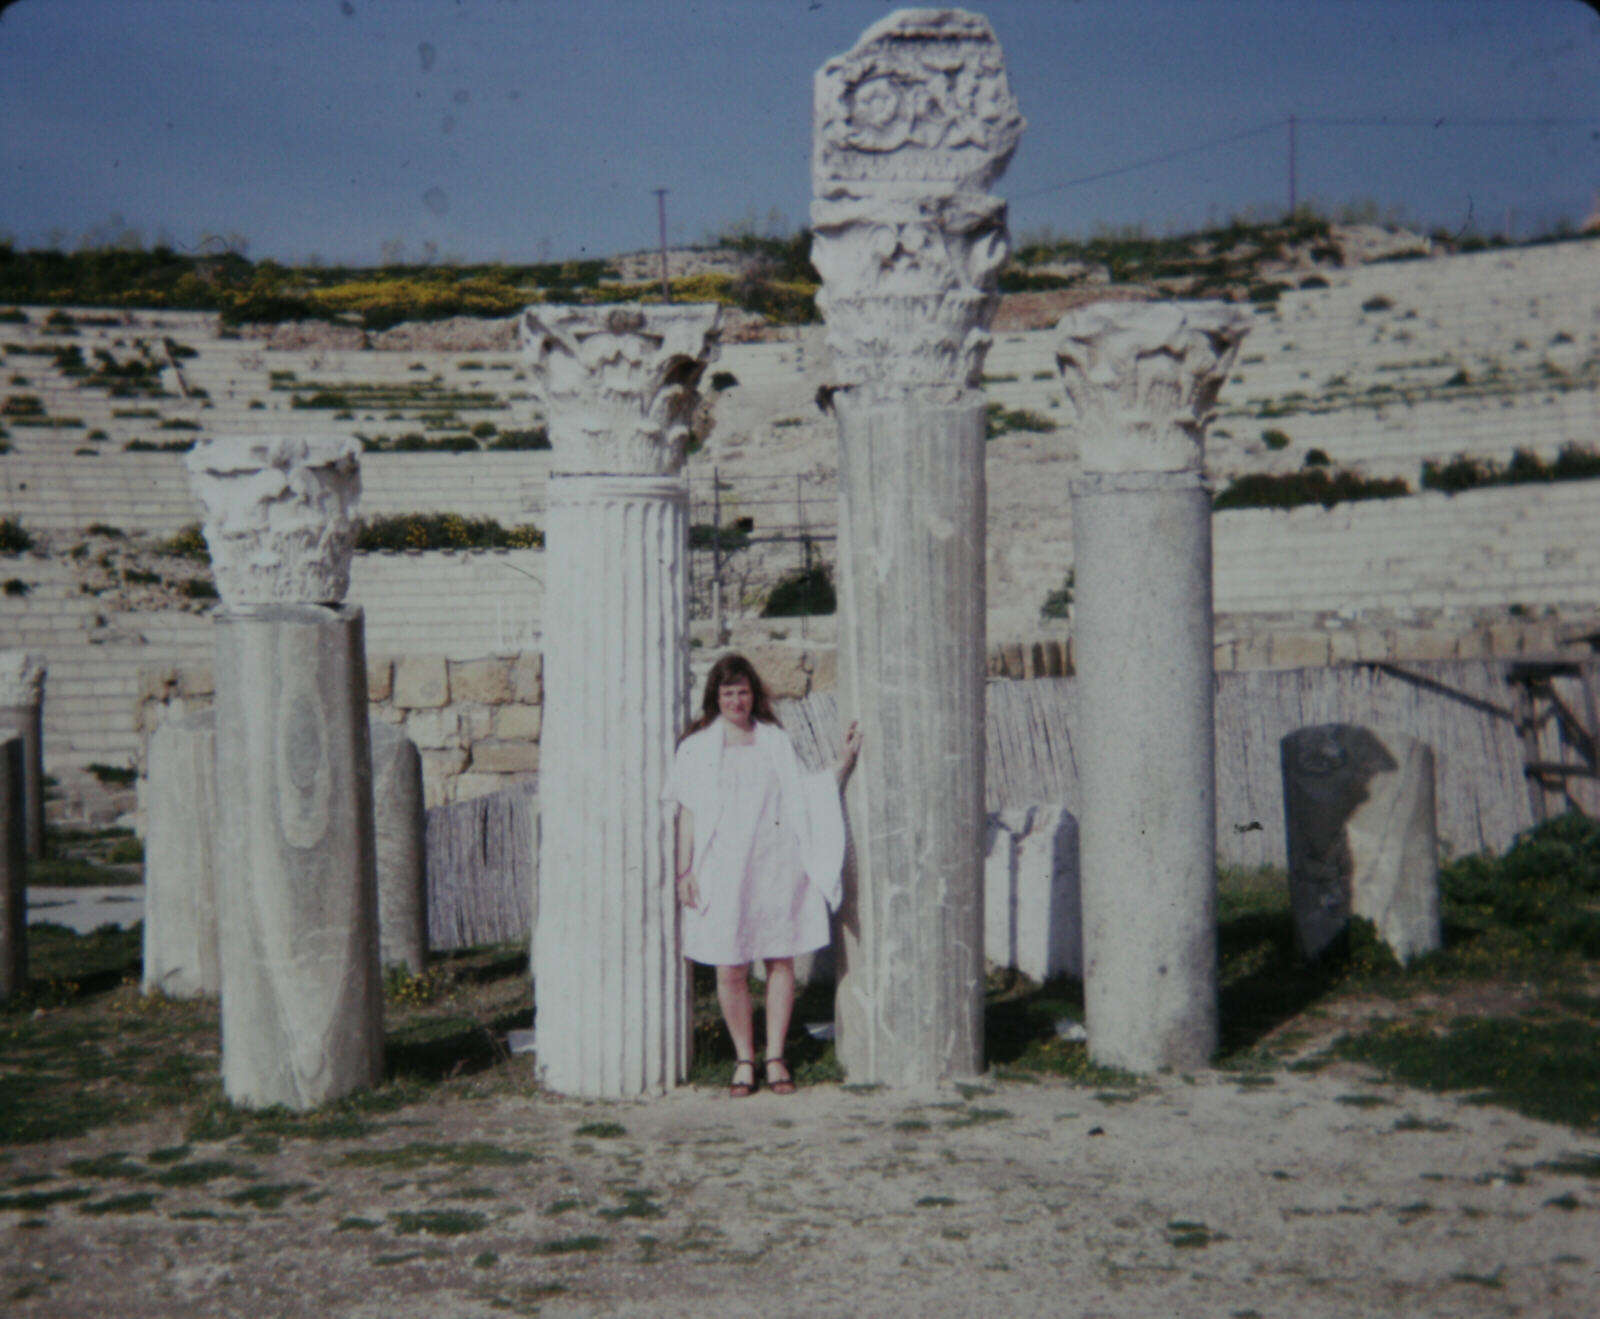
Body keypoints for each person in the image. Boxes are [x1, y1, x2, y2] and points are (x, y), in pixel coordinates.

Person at [663, 654, 861, 1097]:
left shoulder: (774, 740)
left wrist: (844, 762)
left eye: (744, 691)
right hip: (722, 868)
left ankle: (775, 1057)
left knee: (779, 959)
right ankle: (743, 1059)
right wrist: (684, 871)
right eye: (728, 692)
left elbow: (805, 794)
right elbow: (688, 813)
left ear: (755, 695)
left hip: (775, 864)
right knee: (729, 965)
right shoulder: (696, 747)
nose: (737, 700)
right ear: (716, 697)